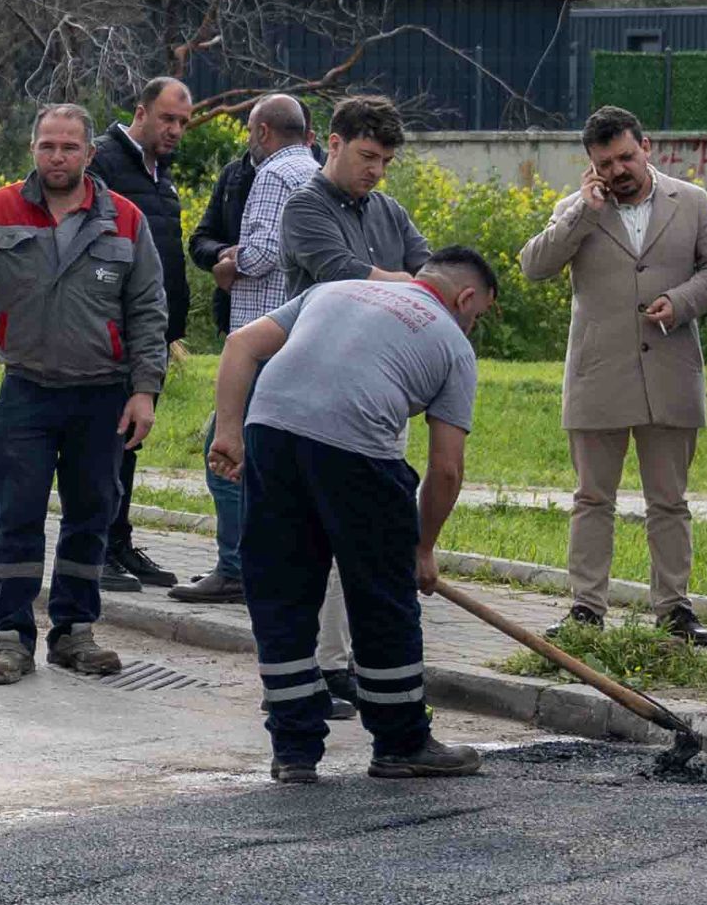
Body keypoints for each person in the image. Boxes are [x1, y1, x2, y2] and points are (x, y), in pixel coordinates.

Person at [205, 252, 502, 786]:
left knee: (282, 594)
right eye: (478, 315)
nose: (472, 325)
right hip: (358, 452)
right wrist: (421, 550)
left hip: (270, 434)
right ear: (466, 299)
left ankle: (294, 749)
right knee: (381, 599)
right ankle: (401, 743)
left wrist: (227, 432)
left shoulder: (333, 289)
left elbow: (240, 345)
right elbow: (448, 470)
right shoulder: (453, 344)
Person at [0, 104, 167, 685]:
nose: (57, 157)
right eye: (46, 146)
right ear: (32, 149)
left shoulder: (127, 220)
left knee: (91, 514)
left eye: (68, 147)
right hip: (26, 393)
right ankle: (11, 638)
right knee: (17, 515)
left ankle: (74, 633)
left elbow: (147, 312)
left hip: (101, 396)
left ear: (89, 154)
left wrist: (145, 391)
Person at [518, 108, 707, 647]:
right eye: (604, 163)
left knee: (669, 500)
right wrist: (582, 215)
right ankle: (586, 608)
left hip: (670, 372)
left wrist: (681, 301)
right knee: (593, 498)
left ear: (647, 147)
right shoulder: (575, 210)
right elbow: (533, 266)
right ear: (590, 167)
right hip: (599, 376)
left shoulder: (692, 202)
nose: (618, 170)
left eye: (625, 157)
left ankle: (675, 610)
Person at [170, 94, 317, 606]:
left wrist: (229, 261)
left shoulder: (272, 175)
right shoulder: (314, 170)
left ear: (261, 133)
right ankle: (282, 565)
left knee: (225, 447)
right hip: (304, 334)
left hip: (262, 337)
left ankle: (235, 567)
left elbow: (261, 253)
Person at [84, 77, 196, 590]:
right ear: (141, 112)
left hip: (151, 334)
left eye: (183, 123)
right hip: (107, 332)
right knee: (101, 443)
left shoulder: (161, 175)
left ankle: (119, 538)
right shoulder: (103, 162)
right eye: (167, 119)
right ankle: (93, 547)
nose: (175, 130)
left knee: (130, 441)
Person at [270, 94, 432, 300]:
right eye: (368, 157)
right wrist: (409, 283)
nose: (377, 171)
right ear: (335, 145)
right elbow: (343, 275)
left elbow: (430, 270)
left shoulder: (390, 210)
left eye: (386, 161)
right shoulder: (302, 207)